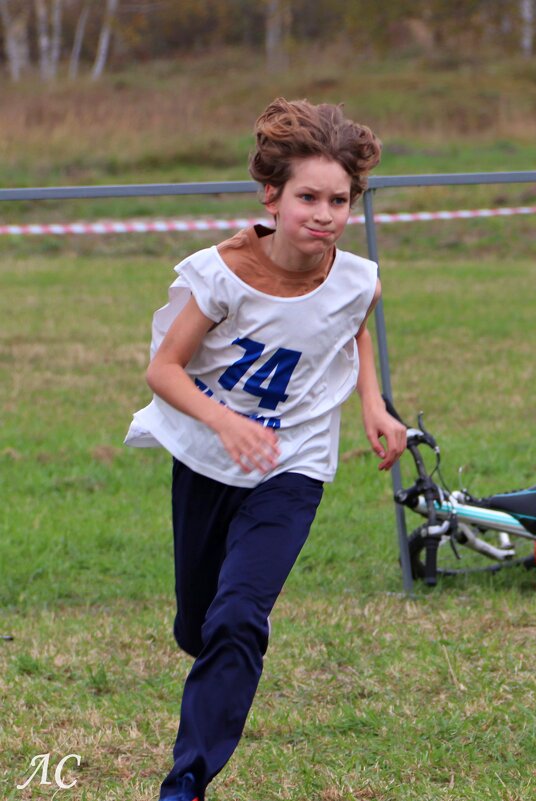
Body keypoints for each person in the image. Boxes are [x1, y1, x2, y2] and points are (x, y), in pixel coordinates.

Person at [124, 97, 407, 801]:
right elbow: (162, 371)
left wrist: (374, 403)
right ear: (271, 196)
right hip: (207, 455)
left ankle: (187, 778)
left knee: (239, 613)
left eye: (339, 200)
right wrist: (225, 422)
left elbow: (354, 325)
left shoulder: (356, 278)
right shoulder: (220, 275)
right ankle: (214, 649)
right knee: (200, 623)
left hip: (294, 462)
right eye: (308, 196)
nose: (325, 214)